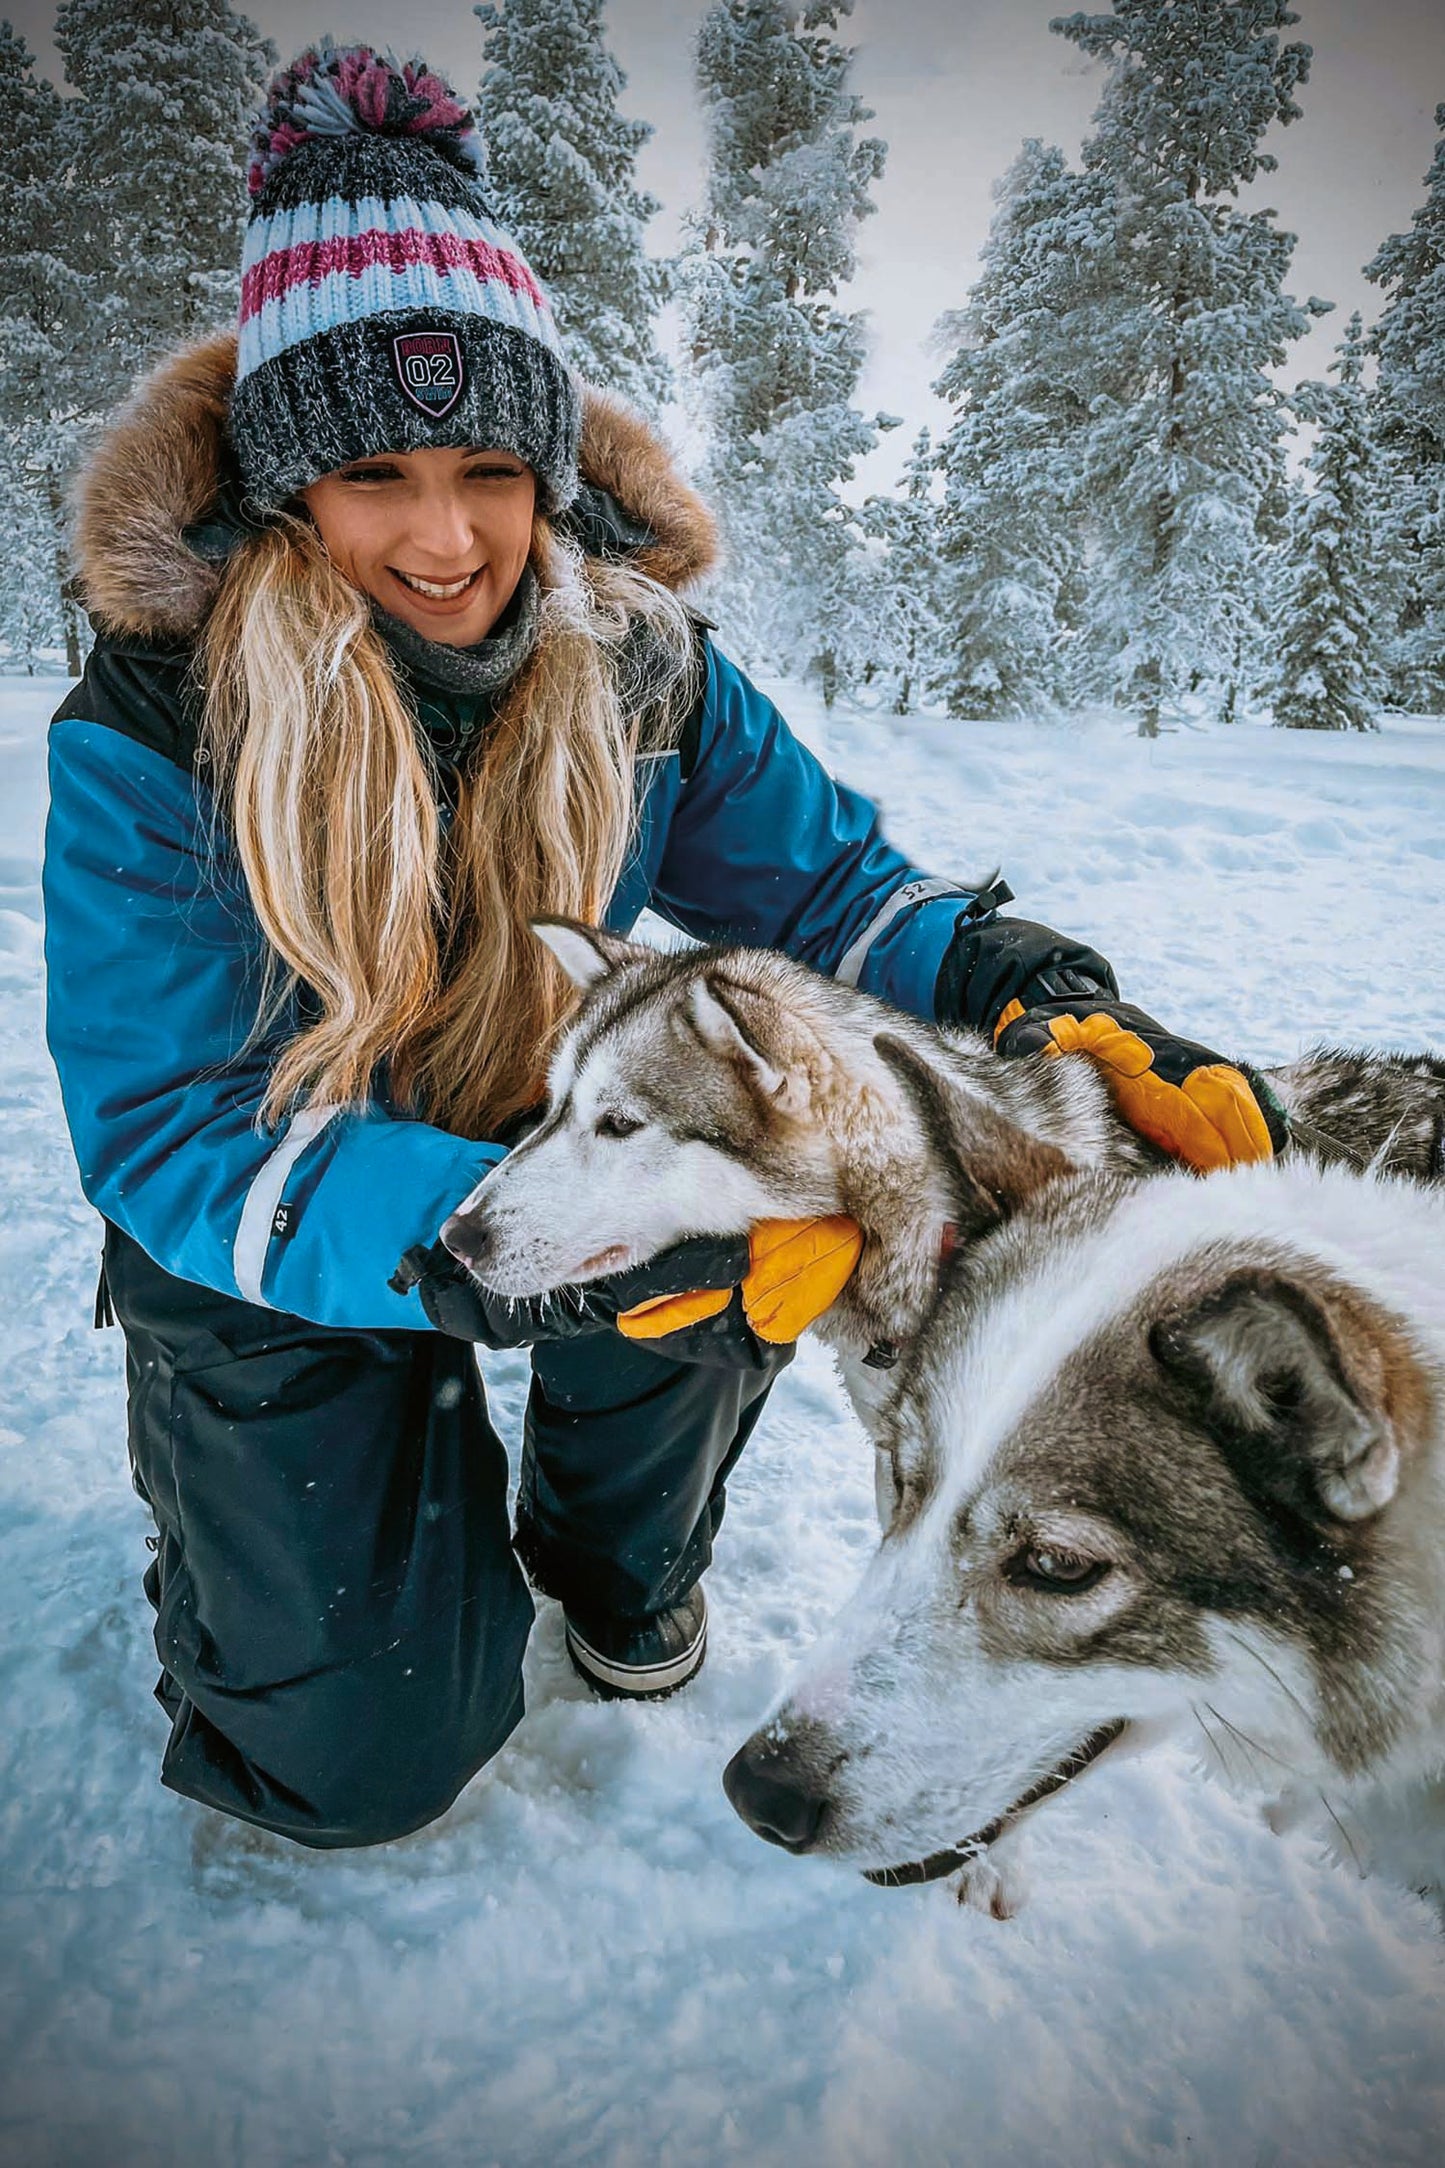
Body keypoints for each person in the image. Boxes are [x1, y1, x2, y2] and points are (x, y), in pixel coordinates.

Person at [43, 41, 1283, 1851]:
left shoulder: (637, 663)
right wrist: (481, 1259)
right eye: (376, 473)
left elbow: (834, 897)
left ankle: (611, 1555)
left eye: (490, 468)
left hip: (548, 1130)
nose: (446, 536)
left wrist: (1029, 989)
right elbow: (171, 1122)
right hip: (271, 1207)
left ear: (548, 474)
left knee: (758, 1181)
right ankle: (264, 1553)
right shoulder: (160, 718)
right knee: (355, 1769)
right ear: (290, 489)